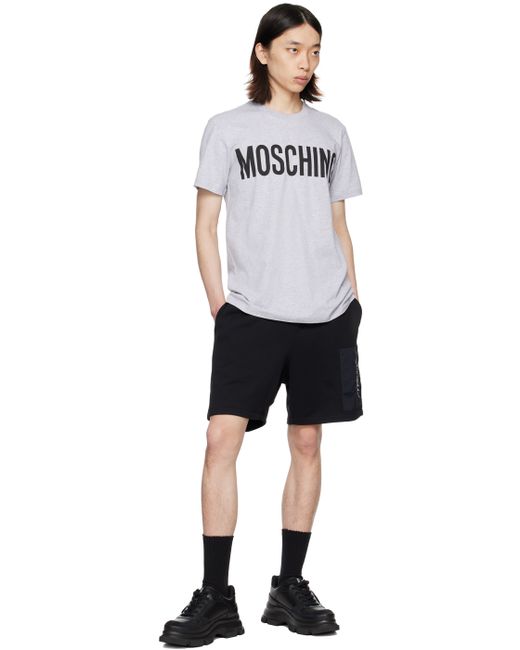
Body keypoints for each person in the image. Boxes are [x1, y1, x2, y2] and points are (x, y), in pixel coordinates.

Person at [159, 3, 364, 645]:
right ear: (262, 51)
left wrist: (354, 302)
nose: (305, 62)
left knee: (307, 442)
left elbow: (338, 224)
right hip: (250, 313)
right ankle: (216, 596)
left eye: (314, 51)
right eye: (293, 49)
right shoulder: (227, 128)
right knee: (222, 440)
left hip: (325, 313)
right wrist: (220, 305)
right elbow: (205, 223)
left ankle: (289, 587)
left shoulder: (331, 132)